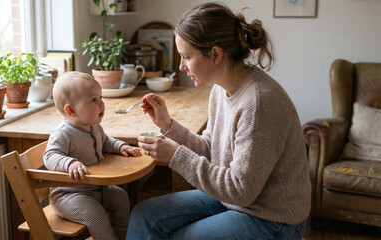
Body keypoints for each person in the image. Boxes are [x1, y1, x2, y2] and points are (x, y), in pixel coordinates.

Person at [126, 2, 311, 240]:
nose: (181, 66)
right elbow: (211, 149)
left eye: (186, 57)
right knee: (144, 215)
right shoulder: (220, 90)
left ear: (215, 54)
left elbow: (240, 190)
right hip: (235, 201)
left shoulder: (259, 103)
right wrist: (168, 126)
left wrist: (176, 156)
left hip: (272, 218)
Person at [44, 71, 141, 240]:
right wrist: (70, 164)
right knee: (94, 212)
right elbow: (50, 156)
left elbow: (105, 141)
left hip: (96, 189)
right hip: (68, 196)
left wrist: (121, 146)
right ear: (71, 110)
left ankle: (126, 236)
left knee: (120, 196)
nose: (102, 104)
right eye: (94, 100)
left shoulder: (93, 126)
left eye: (101, 97)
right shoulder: (63, 134)